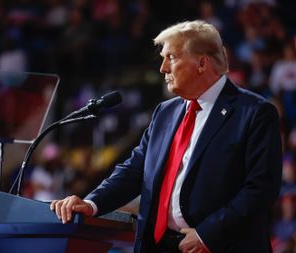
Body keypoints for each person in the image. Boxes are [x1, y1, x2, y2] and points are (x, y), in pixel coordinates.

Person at [50, 20, 282, 253]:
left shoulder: (254, 113)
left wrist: (207, 235)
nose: (162, 68)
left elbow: (261, 189)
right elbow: (135, 169)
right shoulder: (165, 112)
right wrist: (91, 203)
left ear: (202, 63)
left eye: (171, 57)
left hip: (219, 246)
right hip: (159, 245)